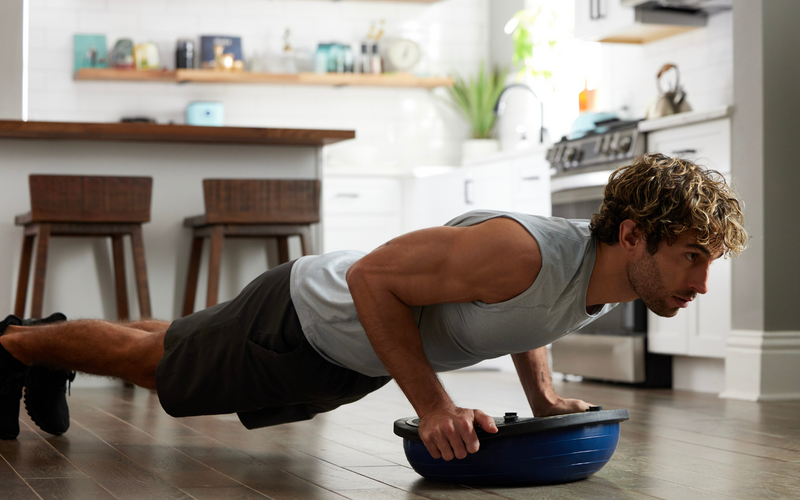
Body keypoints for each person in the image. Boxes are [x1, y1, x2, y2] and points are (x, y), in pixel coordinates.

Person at [0, 154, 746, 461]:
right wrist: (435, 406)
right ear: (633, 235)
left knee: (183, 340)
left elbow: (527, 314)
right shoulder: (520, 248)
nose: (701, 284)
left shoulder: (593, 278)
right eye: (691, 258)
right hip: (307, 317)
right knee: (162, 369)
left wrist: (539, 393)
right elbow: (373, 281)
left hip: (346, 354)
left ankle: (49, 345)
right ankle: (18, 348)